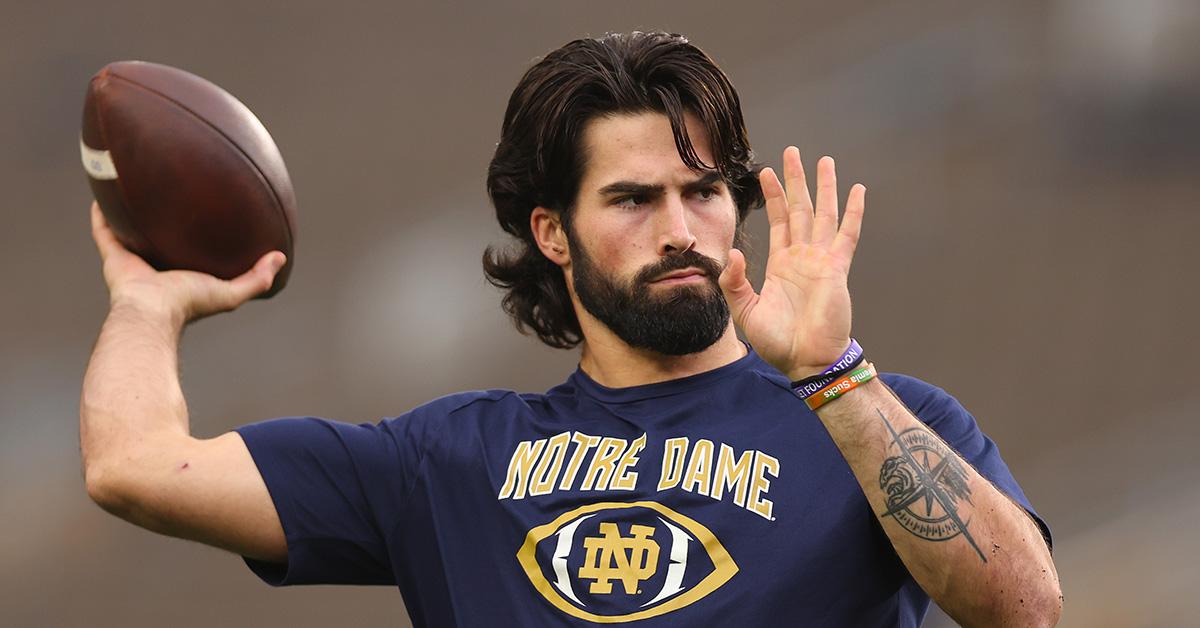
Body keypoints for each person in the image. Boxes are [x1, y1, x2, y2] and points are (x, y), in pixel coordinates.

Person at [81, 31, 1061, 627]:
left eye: (703, 191)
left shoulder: (881, 418)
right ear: (551, 230)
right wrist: (143, 303)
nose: (680, 229)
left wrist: (835, 379)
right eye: (634, 198)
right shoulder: (449, 458)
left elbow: (1025, 608)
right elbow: (134, 465)